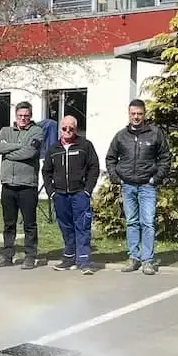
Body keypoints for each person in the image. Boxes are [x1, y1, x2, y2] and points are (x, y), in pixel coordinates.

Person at [105, 99, 172, 275]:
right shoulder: (121, 136)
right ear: (129, 114)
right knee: (132, 222)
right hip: (127, 185)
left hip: (147, 186)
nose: (136, 117)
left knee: (148, 222)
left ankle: (147, 261)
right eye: (133, 114)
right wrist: (116, 178)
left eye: (139, 114)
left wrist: (155, 179)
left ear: (144, 114)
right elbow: (110, 158)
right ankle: (134, 258)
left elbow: (165, 158)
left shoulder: (155, 134)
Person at [41, 115, 100, 275]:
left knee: (82, 226)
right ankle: (69, 258)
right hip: (60, 195)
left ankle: (84, 261)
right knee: (66, 227)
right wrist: (51, 192)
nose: (67, 131)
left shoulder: (85, 145)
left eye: (71, 128)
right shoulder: (53, 149)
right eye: (64, 128)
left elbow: (94, 168)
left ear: (76, 128)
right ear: (60, 129)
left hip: (79, 194)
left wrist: (87, 190)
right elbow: (46, 171)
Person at [0, 101, 45, 269]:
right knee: (9, 224)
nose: (23, 119)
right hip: (8, 184)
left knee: (29, 223)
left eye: (26, 116)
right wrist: (17, 146)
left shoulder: (37, 131)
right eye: (20, 116)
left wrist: (8, 151)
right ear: (16, 116)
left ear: (30, 116)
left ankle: (30, 256)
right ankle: (7, 255)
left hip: (27, 185)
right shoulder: (5, 131)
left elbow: (31, 152)